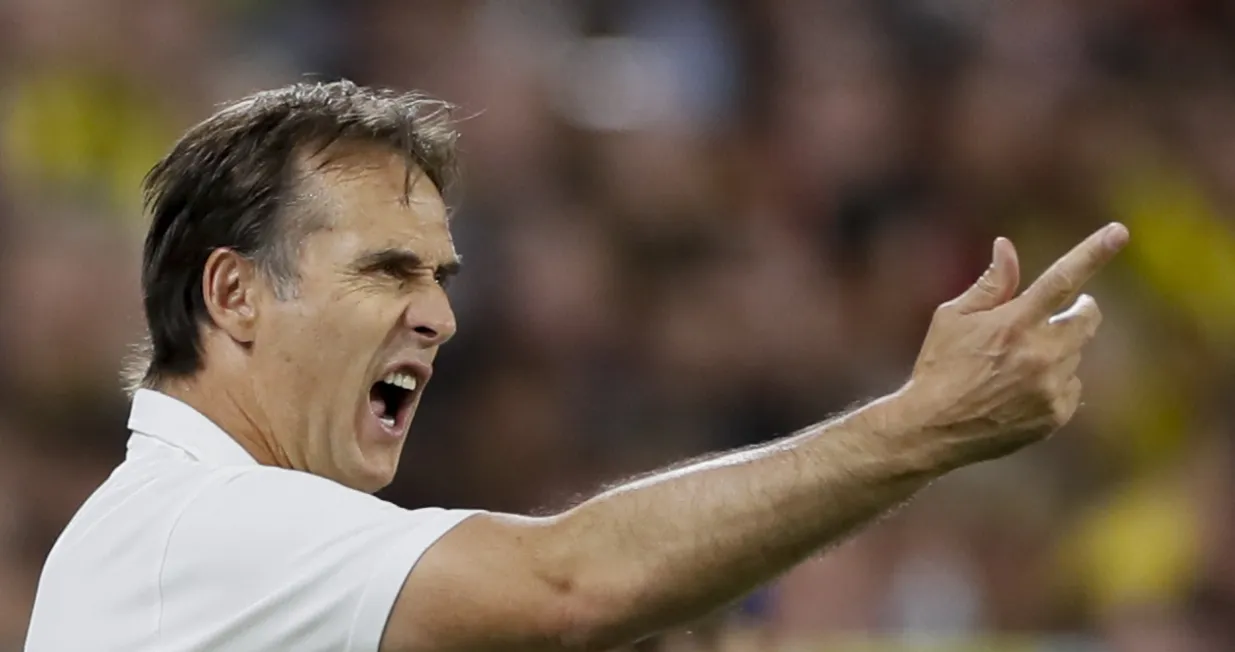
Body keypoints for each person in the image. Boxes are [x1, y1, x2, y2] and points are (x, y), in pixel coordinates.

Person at [24, 81, 1129, 652]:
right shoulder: (196, 530)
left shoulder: (246, 564)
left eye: (442, 277)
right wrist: (921, 424)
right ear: (233, 294)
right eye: (385, 270)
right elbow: (570, 584)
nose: (438, 319)